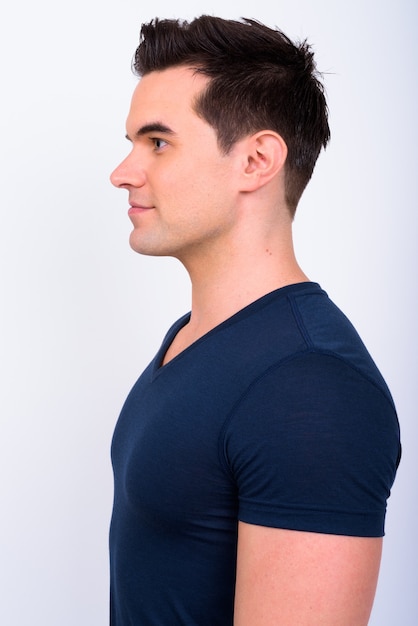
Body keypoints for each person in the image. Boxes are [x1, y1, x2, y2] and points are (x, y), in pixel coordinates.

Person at [109, 15, 401, 625]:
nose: (123, 172)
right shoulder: (197, 338)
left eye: (157, 142)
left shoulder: (312, 388)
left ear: (256, 161)